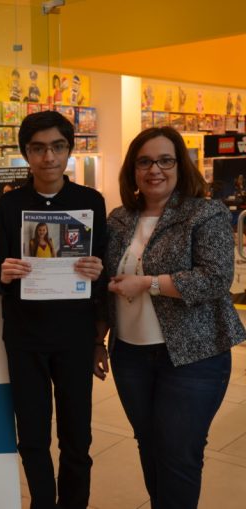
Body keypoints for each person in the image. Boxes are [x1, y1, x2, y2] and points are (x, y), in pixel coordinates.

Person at [104, 126, 245, 509]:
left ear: (180, 165)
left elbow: (216, 278)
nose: (155, 170)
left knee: (178, 454)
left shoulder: (204, 212)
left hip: (193, 357)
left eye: (165, 160)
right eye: (145, 161)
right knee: (149, 445)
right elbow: (107, 282)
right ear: (133, 170)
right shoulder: (119, 219)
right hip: (130, 355)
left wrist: (147, 283)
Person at [0, 110, 107, 509]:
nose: (48, 158)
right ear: (25, 153)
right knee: (33, 437)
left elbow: (103, 280)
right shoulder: (10, 206)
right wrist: (5, 272)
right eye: (38, 149)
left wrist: (97, 271)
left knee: (77, 437)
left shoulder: (89, 202)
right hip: (25, 339)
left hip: (74, 338)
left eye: (57, 147)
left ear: (69, 150)